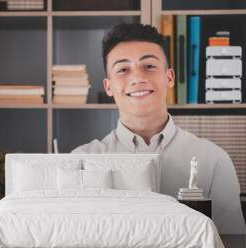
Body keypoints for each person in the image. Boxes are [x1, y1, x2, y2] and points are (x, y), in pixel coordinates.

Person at [71, 23, 245, 234]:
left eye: (149, 66)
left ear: (169, 77)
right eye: (123, 69)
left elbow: (233, 246)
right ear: (109, 86)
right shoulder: (81, 162)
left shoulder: (214, 160)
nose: (137, 77)